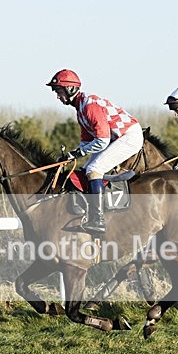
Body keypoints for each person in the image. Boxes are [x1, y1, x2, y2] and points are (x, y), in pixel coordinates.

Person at [47, 69, 144, 234]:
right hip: (114, 138)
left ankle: (97, 220)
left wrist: (76, 154)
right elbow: (87, 141)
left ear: (70, 89)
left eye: (59, 91)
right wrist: (70, 155)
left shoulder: (89, 105)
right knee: (86, 171)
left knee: (94, 169)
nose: (58, 96)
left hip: (128, 136)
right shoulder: (80, 109)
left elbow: (102, 140)